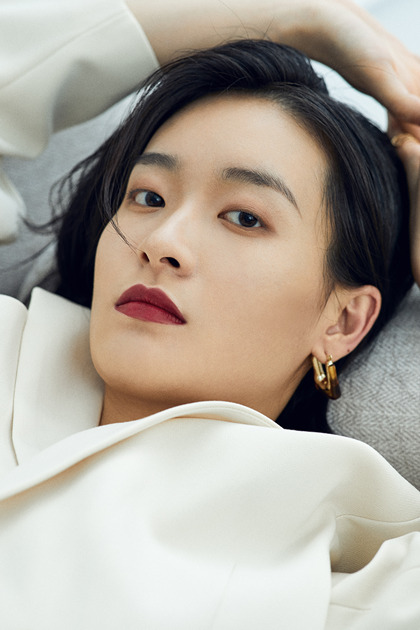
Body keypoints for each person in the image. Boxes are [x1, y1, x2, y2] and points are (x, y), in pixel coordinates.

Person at [1, 1, 420, 628]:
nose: (161, 240)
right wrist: (291, 17)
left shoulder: (332, 565)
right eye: (148, 196)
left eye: (244, 217)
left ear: (343, 323)